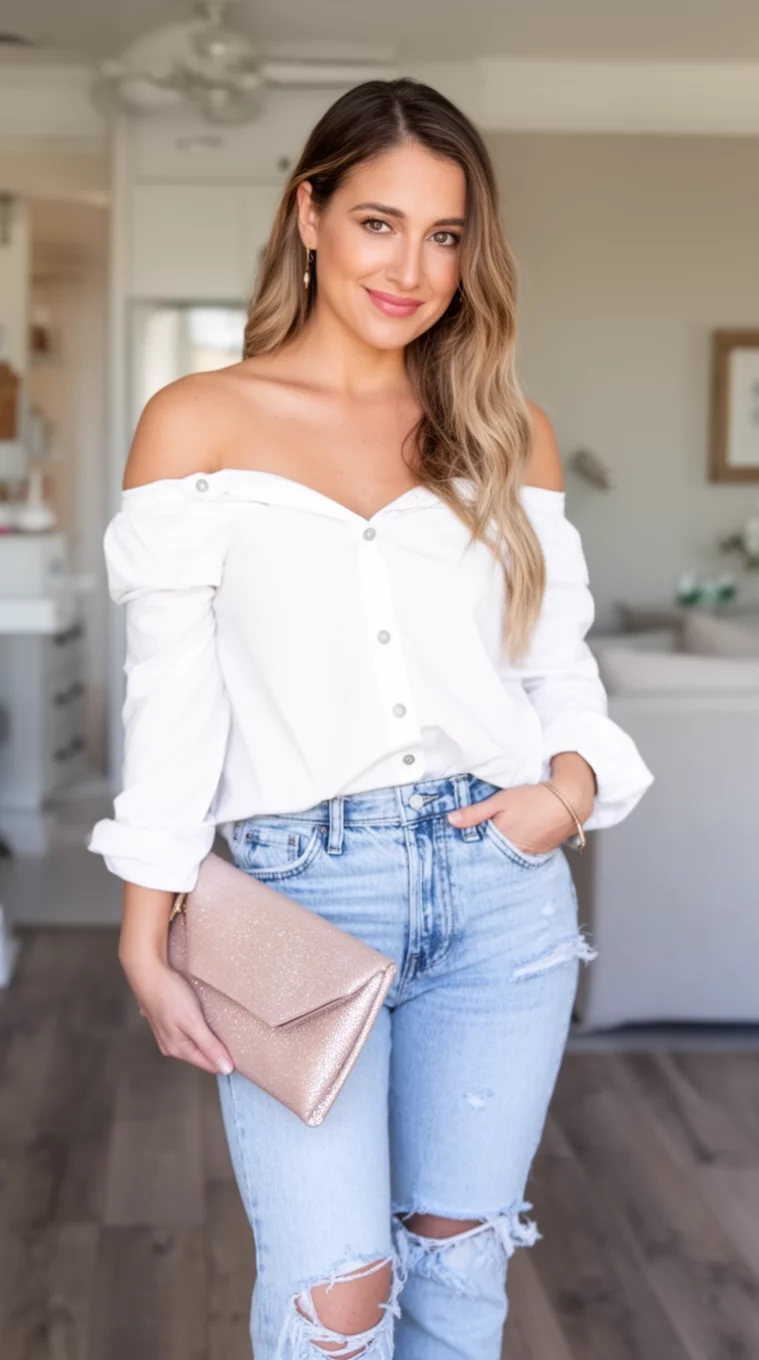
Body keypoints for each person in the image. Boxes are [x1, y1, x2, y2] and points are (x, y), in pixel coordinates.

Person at [89, 78, 653, 1360]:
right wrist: (144, 930)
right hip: (298, 894)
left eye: (445, 235)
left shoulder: (506, 434)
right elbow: (171, 700)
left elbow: (557, 675)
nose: (411, 268)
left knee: (459, 1275)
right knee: (334, 1298)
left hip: (500, 893)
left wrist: (566, 795)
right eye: (378, 223)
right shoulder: (198, 423)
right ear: (310, 215)